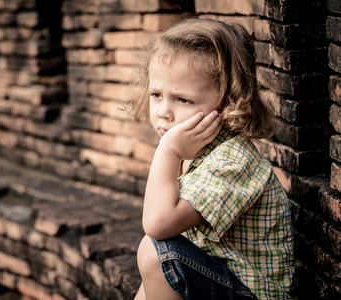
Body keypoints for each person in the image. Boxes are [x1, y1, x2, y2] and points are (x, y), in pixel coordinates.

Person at [125, 18, 295, 300]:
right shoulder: (195, 149)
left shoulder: (233, 161)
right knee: (159, 256)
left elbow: (157, 224)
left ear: (228, 101)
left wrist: (167, 150)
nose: (163, 112)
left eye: (183, 100)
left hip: (253, 294)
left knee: (157, 254)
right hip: (221, 281)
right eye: (156, 94)